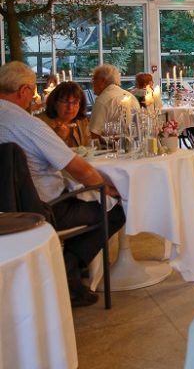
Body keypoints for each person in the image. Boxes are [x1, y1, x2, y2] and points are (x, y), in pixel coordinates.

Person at [0, 62, 125, 307]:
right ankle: (67, 267)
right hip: (43, 209)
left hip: (6, 212)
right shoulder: (28, 124)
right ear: (24, 90)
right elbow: (78, 169)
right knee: (119, 207)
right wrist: (109, 189)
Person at [89, 64, 140, 137]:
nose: (91, 82)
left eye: (94, 79)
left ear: (102, 81)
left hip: (110, 147)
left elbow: (94, 134)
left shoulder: (103, 100)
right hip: (135, 144)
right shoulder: (130, 96)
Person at [40, 82, 92, 148]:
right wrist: (57, 139)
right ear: (55, 103)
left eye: (75, 102)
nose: (70, 107)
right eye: (65, 102)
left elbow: (89, 148)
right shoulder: (41, 123)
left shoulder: (82, 121)